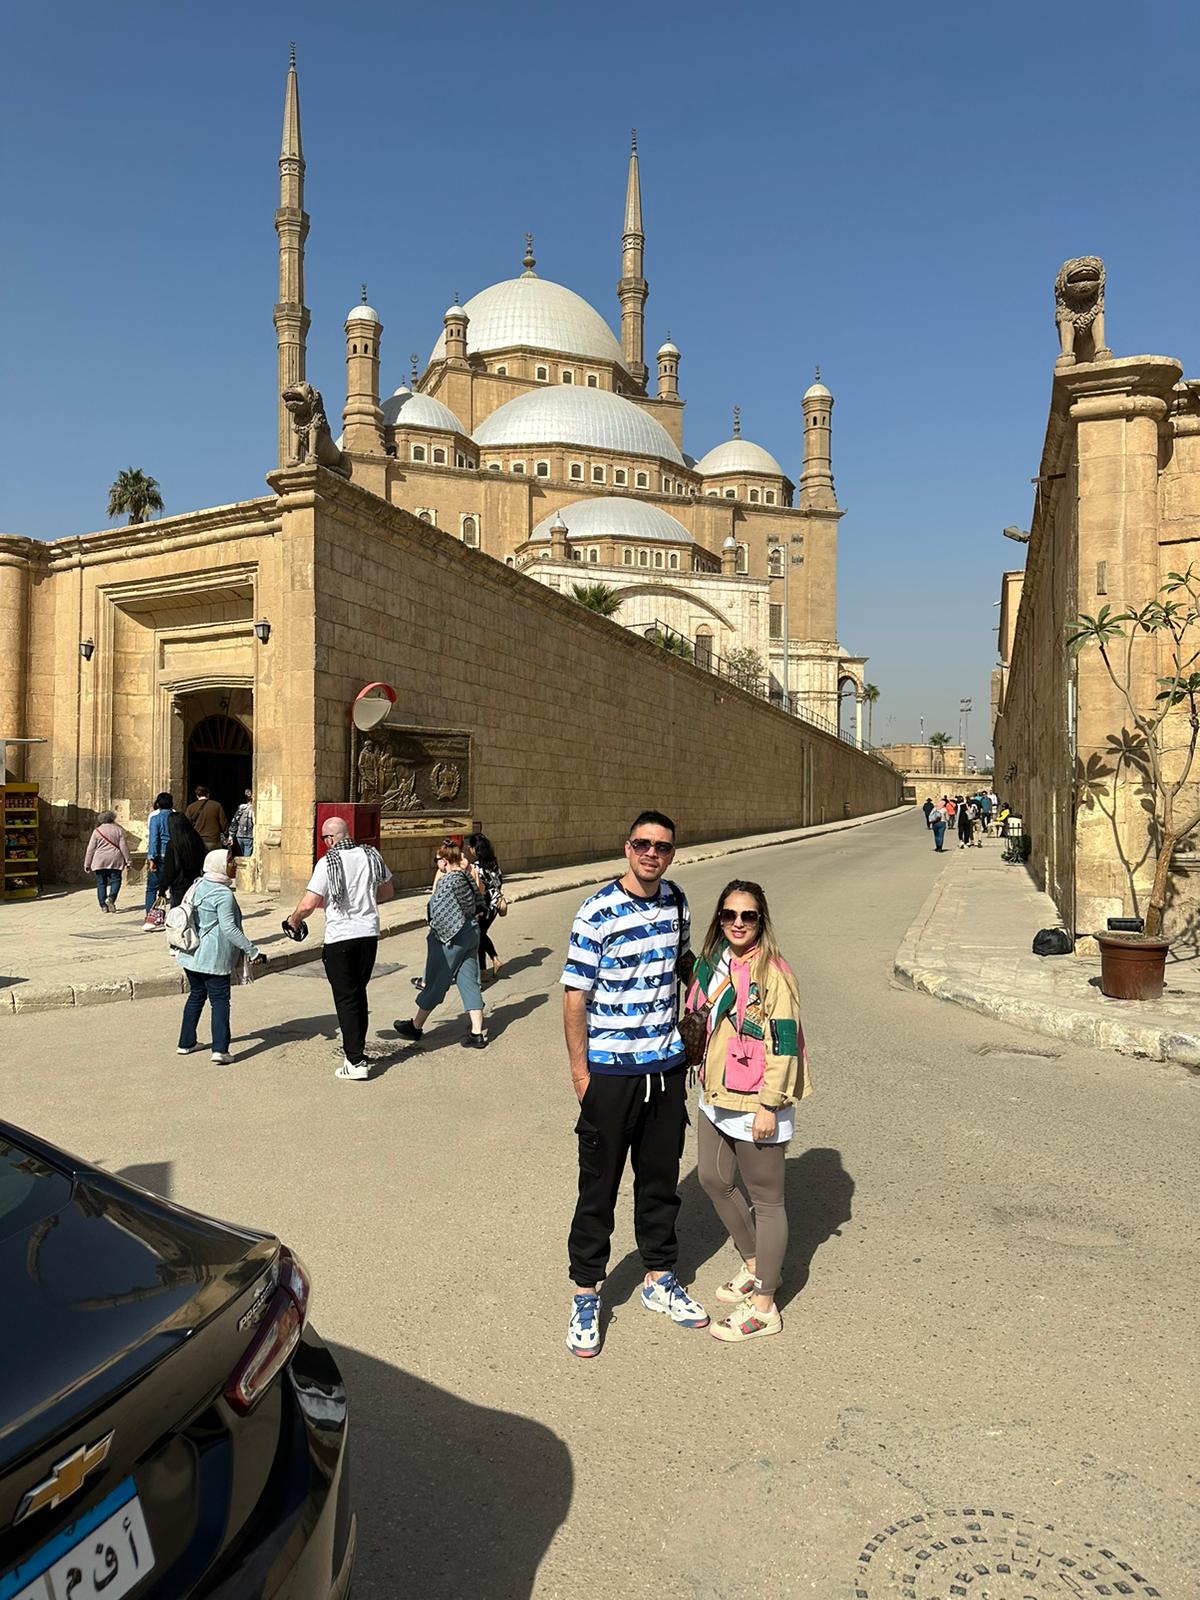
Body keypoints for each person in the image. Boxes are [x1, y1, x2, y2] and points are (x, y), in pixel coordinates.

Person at [562, 810, 708, 1360]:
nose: (652, 853)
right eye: (643, 844)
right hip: (611, 1073)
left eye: (662, 847)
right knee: (597, 1189)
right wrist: (582, 1075)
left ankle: (659, 1278)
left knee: (660, 1182)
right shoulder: (596, 910)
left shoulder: (676, 901)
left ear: (672, 853)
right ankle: (586, 1294)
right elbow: (574, 997)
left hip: (665, 1068)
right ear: (627, 848)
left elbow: (683, 963)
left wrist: (726, 980)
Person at [690, 879, 808, 1342]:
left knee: (768, 1201)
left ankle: (764, 1306)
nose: (738, 923)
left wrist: (769, 1105)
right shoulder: (714, 965)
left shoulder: (773, 973)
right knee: (713, 1179)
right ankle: (756, 1262)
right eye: (729, 914)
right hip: (717, 1093)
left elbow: (784, 1043)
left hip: (757, 1100)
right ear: (719, 919)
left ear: (761, 921)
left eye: (748, 916)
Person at [288, 816, 394, 1080]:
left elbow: (309, 903)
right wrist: (363, 902)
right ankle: (358, 1051)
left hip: (341, 937)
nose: (324, 843)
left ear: (331, 838)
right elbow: (387, 892)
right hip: (368, 934)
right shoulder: (371, 855)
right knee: (358, 993)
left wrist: (294, 920)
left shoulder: (328, 862)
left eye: (325, 838)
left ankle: (355, 1061)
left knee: (346, 998)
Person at [394, 841, 488, 1049]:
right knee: (469, 981)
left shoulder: (448, 881)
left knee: (436, 980)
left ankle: (416, 1026)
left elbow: (437, 910)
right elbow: (478, 899)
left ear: (445, 861)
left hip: (451, 936)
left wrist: (436, 934)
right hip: (471, 931)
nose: (436, 863)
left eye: (437, 860)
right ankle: (477, 1032)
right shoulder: (465, 876)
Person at [176, 848, 267, 1063]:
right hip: (213, 957)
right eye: (229, 861)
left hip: (191, 954)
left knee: (196, 995)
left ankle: (186, 1043)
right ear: (218, 865)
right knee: (219, 1001)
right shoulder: (223, 894)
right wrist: (252, 950)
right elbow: (229, 928)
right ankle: (220, 1050)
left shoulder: (198, 885)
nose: (234, 864)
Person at [466, 830, 505, 980]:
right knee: (480, 935)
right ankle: (484, 970)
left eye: (471, 847)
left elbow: (474, 888)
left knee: (479, 935)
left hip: (482, 907)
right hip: (494, 906)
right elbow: (500, 883)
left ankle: (493, 960)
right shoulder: (494, 865)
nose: (469, 849)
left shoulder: (475, 867)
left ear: (476, 849)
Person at [156, 809, 207, 908]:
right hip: (195, 882)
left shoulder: (173, 844)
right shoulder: (196, 840)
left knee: (179, 913)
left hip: (179, 885)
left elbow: (169, 870)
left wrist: (162, 888)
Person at [83, 810, 131, 912]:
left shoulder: (97, 831)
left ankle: (103, 906)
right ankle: (111, 898)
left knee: (101, 883)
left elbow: (91, 848)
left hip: (100, 860)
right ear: (112, 818)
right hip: (115, 859)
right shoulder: (118, 830)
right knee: (116, 880)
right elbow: (124, 847)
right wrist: (128, 860)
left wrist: (87, 863)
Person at [143, 792, 174, 929]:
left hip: (160, 856)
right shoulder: (176, 817)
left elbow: (154, 839)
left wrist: (151, 858)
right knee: (174, 887)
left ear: (158, 804)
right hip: (173, 856)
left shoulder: (156, 819)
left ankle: (151, 918)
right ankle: (174, 918)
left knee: (151, 888)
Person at [185, 784, 228, 850]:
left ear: (197, 796)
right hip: (213, 840)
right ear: (208, 794)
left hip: (198, 840)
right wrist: (227, 835)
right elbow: (223, 823)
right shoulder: (217, 805)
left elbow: (186, 825)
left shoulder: (191, 807)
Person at [226, 789, 254, 857]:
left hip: (240, 835)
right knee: (246, 858)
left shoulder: (241, 809)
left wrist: (231, 835)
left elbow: (234, 822)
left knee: (240, 857)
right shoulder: (254, 810)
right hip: (249, 836)